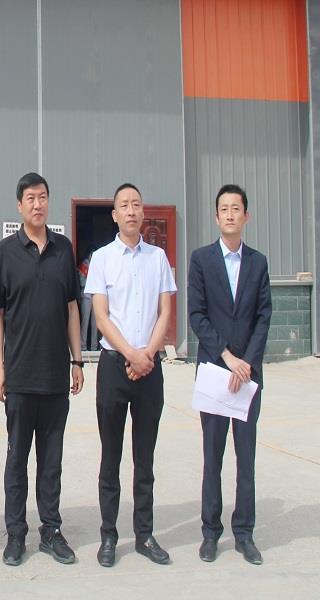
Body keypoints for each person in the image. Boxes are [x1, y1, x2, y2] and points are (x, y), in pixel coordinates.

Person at [0, 172, 84, 567]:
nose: (37, 204)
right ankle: (16, 534)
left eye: (42, 197)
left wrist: (77, 360)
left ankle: (51, 531)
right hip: (20, 377)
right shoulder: (6, 251)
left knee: (51, 461)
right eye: (30, 198)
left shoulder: (64, 249)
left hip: (55, 376)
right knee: (17, 460)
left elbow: (72, 308)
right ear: (19, 205)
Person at [84, 182, 176, 568]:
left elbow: (166, 311)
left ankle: (145, 535)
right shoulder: (103, 258)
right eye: (124, 205)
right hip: (113, 367)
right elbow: (101, 317)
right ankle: (109, 536)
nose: (131, 210)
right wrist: (131, 355)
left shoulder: (158, 258)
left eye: (137, 204)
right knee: (111, 458)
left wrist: (147, 355)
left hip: (150, 369)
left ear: (143, 211)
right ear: (115, 215)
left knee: (145, 459)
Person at [188, 184, 271, 565]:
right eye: (224, 209)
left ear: (246, 216)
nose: (231, 214)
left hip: (247, 377)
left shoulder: (258, 263)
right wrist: (227, 356)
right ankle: (210, 533)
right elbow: (197, 315)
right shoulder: (201, 260)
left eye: (237, 208)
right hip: (215, 373)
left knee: (246, 459)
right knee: (213, 457)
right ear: (216, 216)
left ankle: (244, 533)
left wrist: (247, 362)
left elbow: (263, 315)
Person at [79, 250, 97, 350]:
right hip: (86, 295)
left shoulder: (99, 264)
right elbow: (81, 282)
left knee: (96, 323)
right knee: (85, 321)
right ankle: (83, 345)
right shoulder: (84, 265)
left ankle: (94, 346)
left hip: (96, 296)